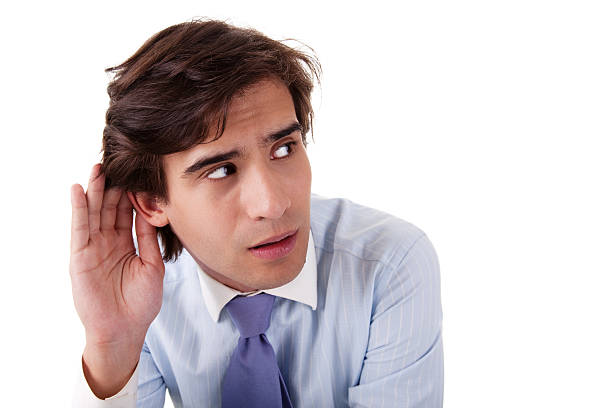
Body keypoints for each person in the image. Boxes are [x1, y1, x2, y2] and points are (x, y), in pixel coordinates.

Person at [70, 19, 444, 407]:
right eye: (221, 170)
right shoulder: (142, 296)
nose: (272, 204)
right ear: (152, 203)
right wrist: (111, 347)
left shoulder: (389, 263)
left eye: (284, 148)